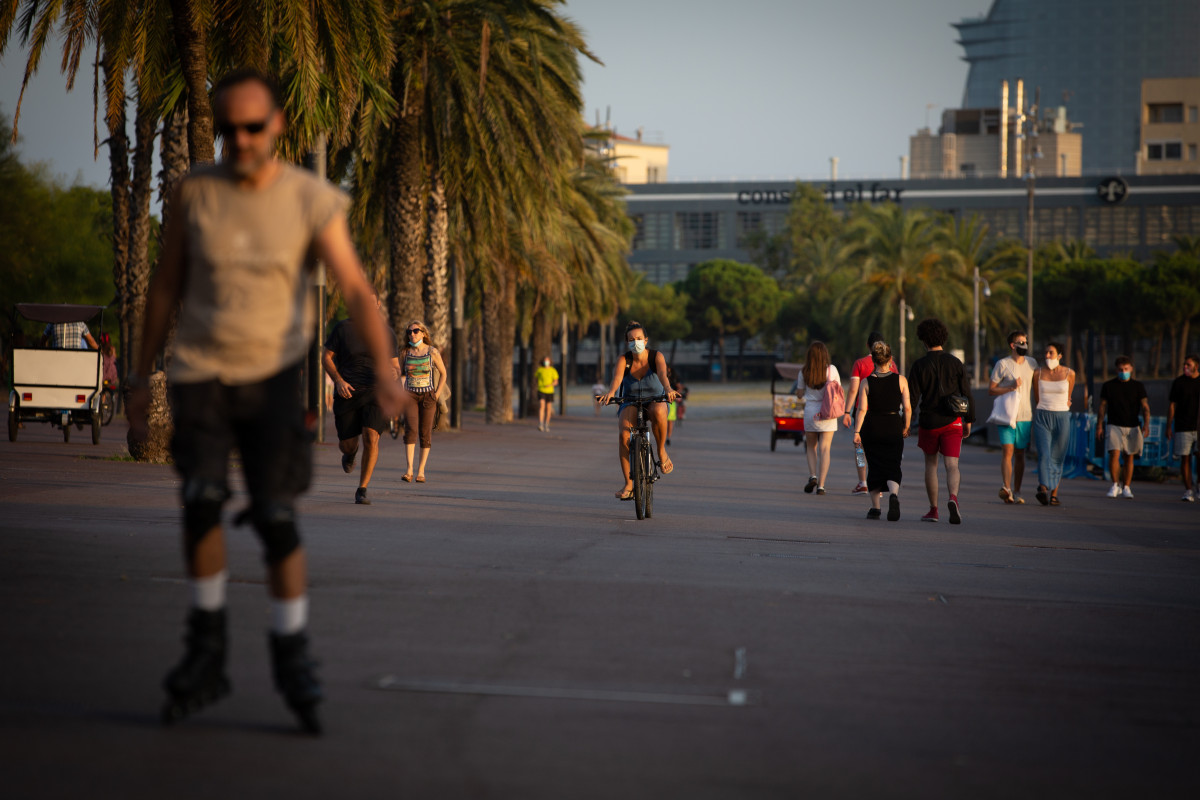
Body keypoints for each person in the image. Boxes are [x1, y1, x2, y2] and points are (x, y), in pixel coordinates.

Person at [127, 69, 401, 734]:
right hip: (200, 372)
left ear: (278, 125)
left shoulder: (310, 198)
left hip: (275, 375)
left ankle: (291, 648)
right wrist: (139, 379)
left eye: (253, 127)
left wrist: (388, 371)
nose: (240, 140)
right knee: (200, 504)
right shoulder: (195, 190)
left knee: (277, 518)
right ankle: (207, 646)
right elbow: (164, 286)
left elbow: (358, 290)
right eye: (227, 129)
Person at [322, 292, 400, 505]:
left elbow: (395, 366)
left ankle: (362, 488)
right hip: (348, 391)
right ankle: (351, 453)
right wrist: (338, 380)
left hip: (376, 391)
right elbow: (326, 357)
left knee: (371, 436)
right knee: (347, 444)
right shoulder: (343, 329)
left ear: (377, 305)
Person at [598, 321, 681, 500]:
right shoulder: (624, 360)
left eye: (638, 338)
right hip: (630, 401)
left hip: (655, 399)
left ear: (646, 339)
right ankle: (629, 484)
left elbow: (662, 375)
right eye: (631, 339)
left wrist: (668, 389)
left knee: (659, 411)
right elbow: (617, 379)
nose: (635, 342)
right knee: (624, 436)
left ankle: (661, 452)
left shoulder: (656, 356)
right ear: (626, 342)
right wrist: (610, 394)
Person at [907, 318, 974, 524]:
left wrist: (907, 423)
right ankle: (953, 498)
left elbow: (912, 398)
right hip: (953, 421)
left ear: (924, 341)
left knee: (931, 465)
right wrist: (968, 421)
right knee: (952, 464)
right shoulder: (955, 363)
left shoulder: (919, 365)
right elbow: (967, 393)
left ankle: (933, 510)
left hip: (929, 421)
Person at [852, 341, 911, 521]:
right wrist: (906, 426)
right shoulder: (901, 380)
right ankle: (893, 495)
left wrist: (857, 432)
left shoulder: (866, 382)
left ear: (874, 361)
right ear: (890, 359)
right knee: (893, 464)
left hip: (873, 427)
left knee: (875, 465)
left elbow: (862, 410)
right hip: (893, 424)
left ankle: (875, 508)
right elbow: (907, 407)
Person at [844, 330, 895, 495]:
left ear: (867, 345)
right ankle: (879, 483)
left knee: (860, 448)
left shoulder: (859, 363)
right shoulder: (892, 364)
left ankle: (863, 482)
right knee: (878, 449)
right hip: (884, 412)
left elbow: (853, 390)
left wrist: (846, 411)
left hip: (862, 412)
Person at [988, 331, 1037, 504]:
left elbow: (1039, 385)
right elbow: (991, 389)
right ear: (1012, 345)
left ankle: (1017, 490)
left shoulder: (1032, 364)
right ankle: (1007, 488)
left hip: (1025, 415)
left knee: (1020, 453)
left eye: (1025, 342)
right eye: (1020, 342)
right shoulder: (1002, 364)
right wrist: (1010, 387)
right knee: (1007, 451)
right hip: (1007, 415)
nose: (1024, 344)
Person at [398, 320, 446, 483]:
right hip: (410, 395)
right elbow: (400, 373)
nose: (412, 334)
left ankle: (421, 471)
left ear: (424, 333)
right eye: (409, 332)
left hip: (428, 396)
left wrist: (436, 394)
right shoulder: (405, 352)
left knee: (425, 434)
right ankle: (409, 469)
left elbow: (443, 373)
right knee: (410, 430)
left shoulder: (432, 352)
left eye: (416, 331)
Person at [1097, 356, 1150, 499]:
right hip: (1114, 424)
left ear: (1131, 369)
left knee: (1129, 456)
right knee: (1114, 453)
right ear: (1116, 370)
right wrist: (1099, 426)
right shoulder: (1108, 386)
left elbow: (1145, 406)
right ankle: (1115, 484)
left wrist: (1146, 424)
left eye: (1126, 369)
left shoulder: (1138, 386)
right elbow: (1102, 407)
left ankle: (1126, 486)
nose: (1123, 372)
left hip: (1133, 425)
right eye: (1121, 369)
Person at [1031, 342, 1076, 506]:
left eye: (1051, 353)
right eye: (1046, 353)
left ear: (1060, 355)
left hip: (1062, 416)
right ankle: (1043, 488)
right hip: (1043, 415)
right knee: (1044, 454)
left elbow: (1069, 396)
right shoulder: (1038, 373)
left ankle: (1054, 493)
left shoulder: (1070, 373)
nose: (1047, 356)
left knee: (1057, 456)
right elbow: (1037, 397)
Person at [795, 341, 841, 495]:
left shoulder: (803, 372)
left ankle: (812, 475)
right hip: (828, 413)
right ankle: (821, 485)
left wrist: (800, 392)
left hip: (810, 413)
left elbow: (800, 394)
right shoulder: (832, 370)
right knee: (825, 449)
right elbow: (838, 389)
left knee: (810, 447)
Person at [1167, 353, 1200, 502]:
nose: (1185, 367)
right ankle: (1188, 490)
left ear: (1196, 366)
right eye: (1184, 365)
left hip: (1198, 426)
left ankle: (1198, 486)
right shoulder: (1179, 383)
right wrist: (1169, 425)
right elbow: (1172, 405)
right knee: (1185, 458)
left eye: (1189, 365)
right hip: (1183, 425)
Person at [534, 356, 559, 433]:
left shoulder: (553, 370)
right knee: (542, 406)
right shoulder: (540, 370)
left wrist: (550, 384)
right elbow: (536, 379)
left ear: (550, 362)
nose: (546, 362)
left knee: (548, 408)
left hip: (550, 391)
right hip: (541, 390)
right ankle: (540, 423)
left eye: (547, 361)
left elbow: (556, 381)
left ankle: (547, 423)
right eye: (545, 361)